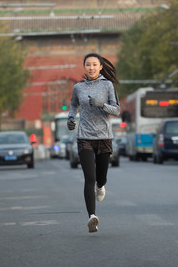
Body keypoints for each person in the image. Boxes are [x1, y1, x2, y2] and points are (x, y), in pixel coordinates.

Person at [67, 52, 120, 233]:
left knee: (100, 177)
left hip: (104, 137)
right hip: (85, 137)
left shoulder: (108, 85)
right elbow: (74, 104)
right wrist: (71, 117)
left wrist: (101, 105)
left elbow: (117, 110)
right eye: (88, 65)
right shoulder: (78, 87)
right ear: (85, 67)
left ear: (101, 67)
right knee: (89, 178)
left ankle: (101, 185)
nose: (91, 68)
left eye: (94, 64)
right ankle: (92, 217)